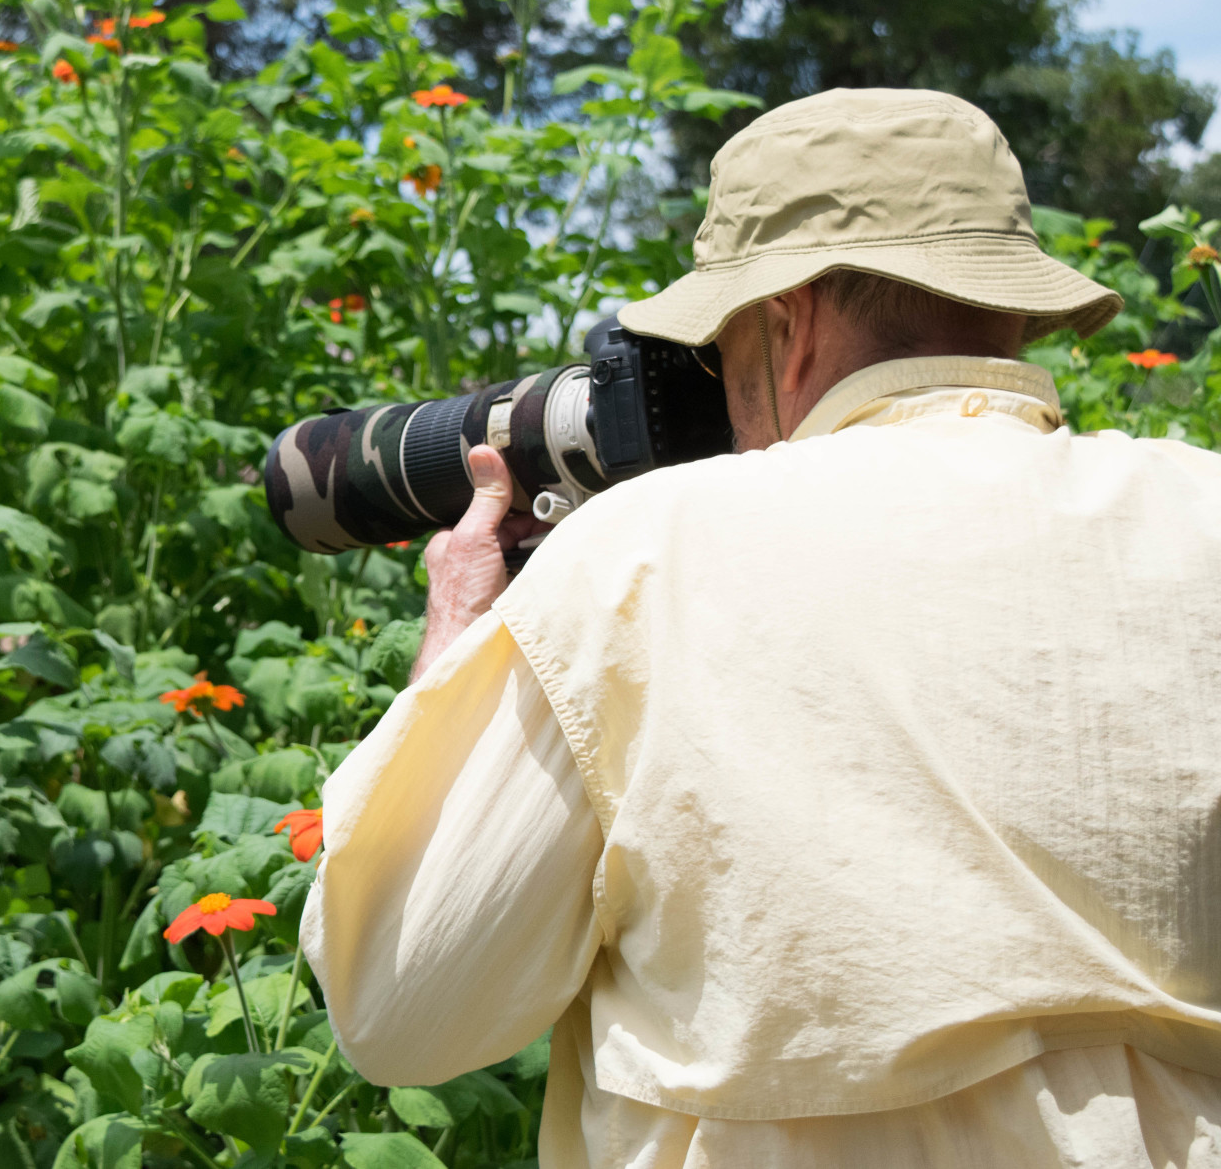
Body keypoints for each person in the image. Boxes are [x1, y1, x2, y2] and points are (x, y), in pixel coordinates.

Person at [301, 88, 1221, 1167]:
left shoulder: (644, 554)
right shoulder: (1202, 511)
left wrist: (455, 644)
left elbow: (401, 1009)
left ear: (787, 322)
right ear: (1009, 303)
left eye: (716, 347)